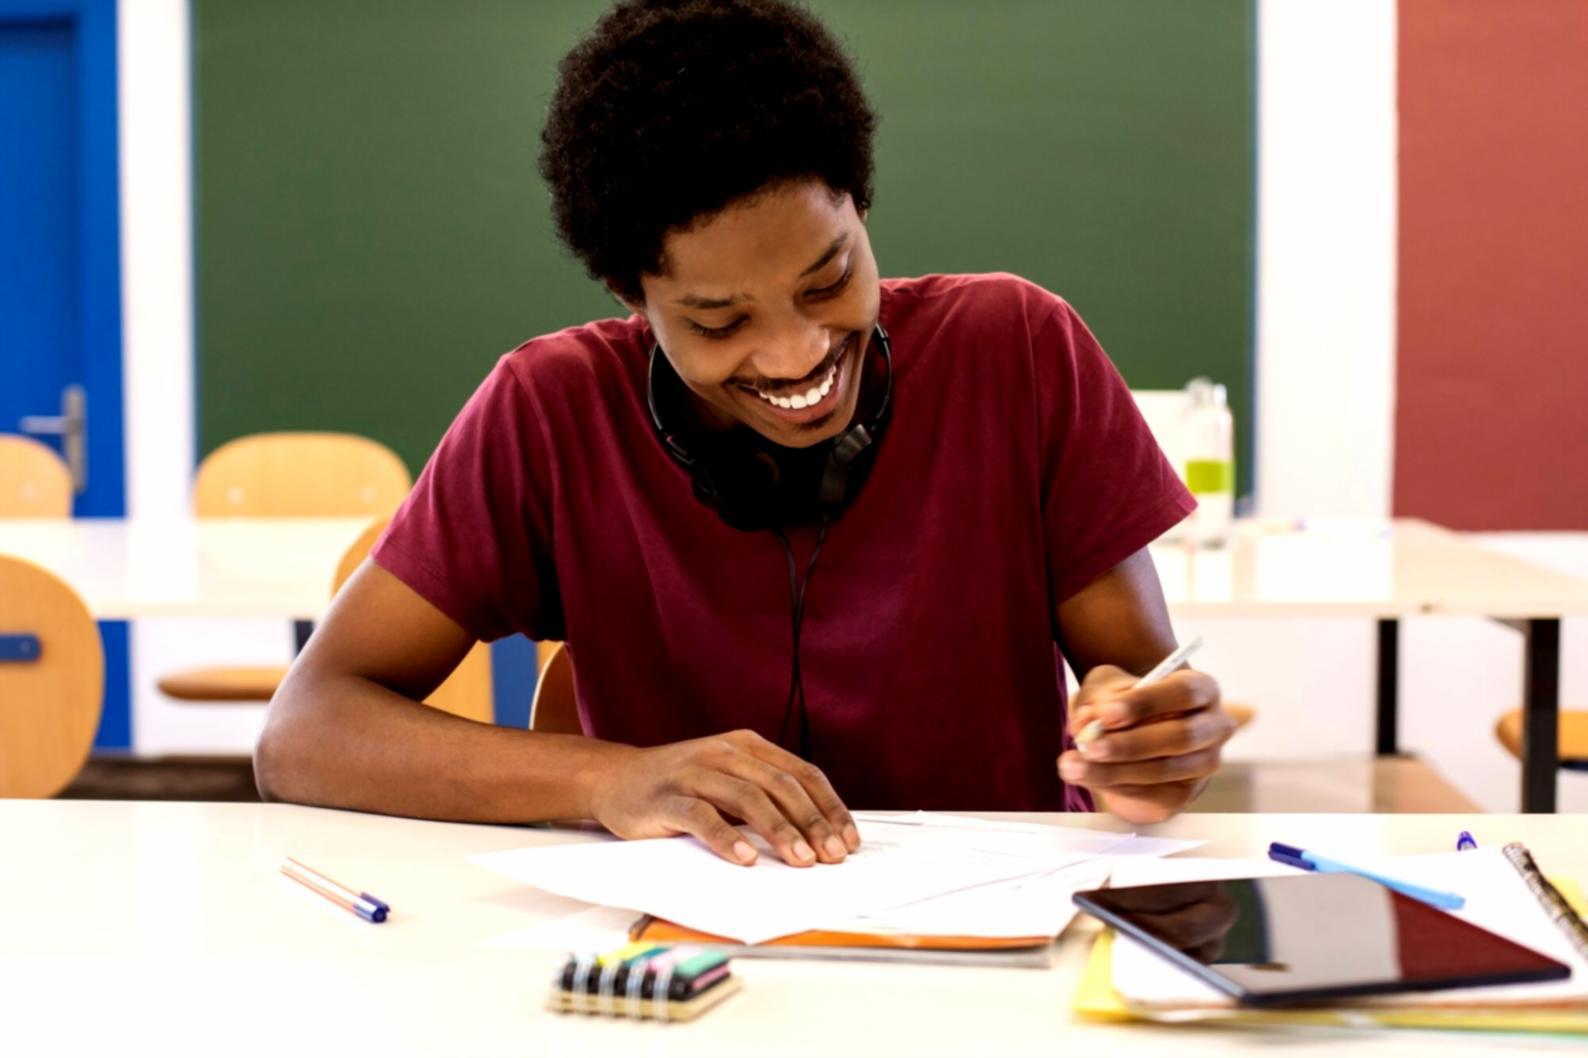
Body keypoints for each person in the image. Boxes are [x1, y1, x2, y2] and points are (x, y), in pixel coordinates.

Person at [255, 0, 1235, 868]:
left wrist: (1150, 746)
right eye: (720, 321)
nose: (797, 353)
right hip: (690, 946)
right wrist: (609, 777)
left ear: (861, 204)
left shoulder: (1018, 348)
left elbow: (1143, 704)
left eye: (828, 279)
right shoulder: (549, 409)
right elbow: (304, 731)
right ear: (632, 295)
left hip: (1004, 933)